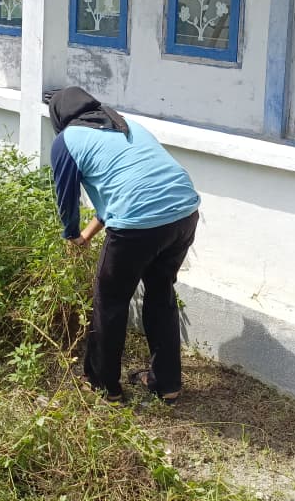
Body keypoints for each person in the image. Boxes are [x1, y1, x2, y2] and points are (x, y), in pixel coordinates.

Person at [49, 86, 200, 404]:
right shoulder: (123, 124)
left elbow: (67, 198)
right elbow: (123, 190)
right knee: (161, 295)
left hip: (138, 226)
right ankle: (167, 384)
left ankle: (105, 386)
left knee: (110, 302)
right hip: (184, 212)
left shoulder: (67, 141)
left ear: (59, 117)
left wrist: (70, 234)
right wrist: (86, 236)